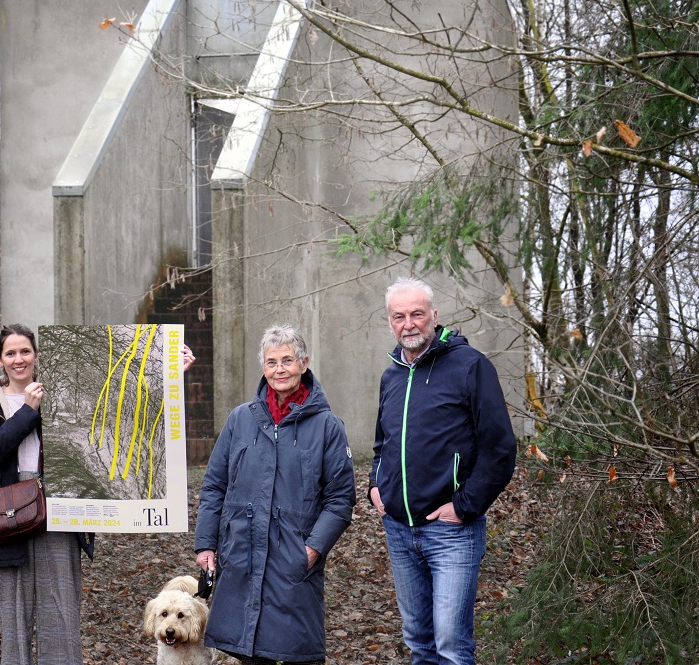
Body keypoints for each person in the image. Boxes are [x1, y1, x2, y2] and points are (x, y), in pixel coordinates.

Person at [0, 324, 195, 665]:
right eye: (11, 353)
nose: (19, 359)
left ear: (36, 355)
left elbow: (126, 402)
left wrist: (170, 374)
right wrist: (28, 411)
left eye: (25, 351)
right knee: (15, 619)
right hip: (10, 515)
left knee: (60, 615)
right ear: (0, 360)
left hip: (59, 507)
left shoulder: (61, 389)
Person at [370, 277, 517, 665]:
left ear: (434, 315)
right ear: (390, 323)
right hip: (400, 530)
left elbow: (500, 448)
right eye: (399, 316)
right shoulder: (392, 375)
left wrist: (465, 505)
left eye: (417, 313)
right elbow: (382, 442)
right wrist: (375, 484)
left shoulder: (470, 366)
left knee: (451, 647)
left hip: (452, 531)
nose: (409, 323)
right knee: (419, 642)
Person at [194, 325, 355, 665]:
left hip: (293, 561)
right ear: (263, 367)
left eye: (287, 360)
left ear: (304, 363)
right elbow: (213, 485)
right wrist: (206, 544)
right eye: (271, 362)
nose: (279, 369)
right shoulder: (240, 419)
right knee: (249, 653)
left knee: (298, 654)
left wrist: (312, 550)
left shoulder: (328, 427)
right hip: (241, 555)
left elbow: (340, 499)